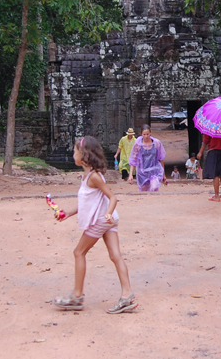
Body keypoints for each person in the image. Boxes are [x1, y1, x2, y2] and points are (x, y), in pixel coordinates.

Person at [53, 136, 137, 314]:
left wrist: (107, 214)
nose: (73, 154)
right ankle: (127, 296)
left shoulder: (94, 177)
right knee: (115, 255)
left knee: (79, 252)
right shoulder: (88, 176)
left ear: (84, 155)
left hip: (102, 219)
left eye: (75, 151)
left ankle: (77, 297)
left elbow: (113, 197)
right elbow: (87, 202)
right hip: (108, 219)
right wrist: (68, 213)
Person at [128, 125, 167, 191]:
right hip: (142, 172)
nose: (146, 136)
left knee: (154, 188)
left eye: (147, 134)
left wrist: (164, 174)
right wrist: (130, 174)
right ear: (141, 134)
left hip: (155, 171)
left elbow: (161, 159)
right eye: (144, 134)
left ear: (150, 133)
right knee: (145, 192)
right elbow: (133, 160)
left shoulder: (157, 143)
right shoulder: (137, 145)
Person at [197, 134, 221, 201]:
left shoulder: (210, 128)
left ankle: (216, 196)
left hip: (213, 152)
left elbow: (205, 141)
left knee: (215, 174)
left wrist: (200, 152)